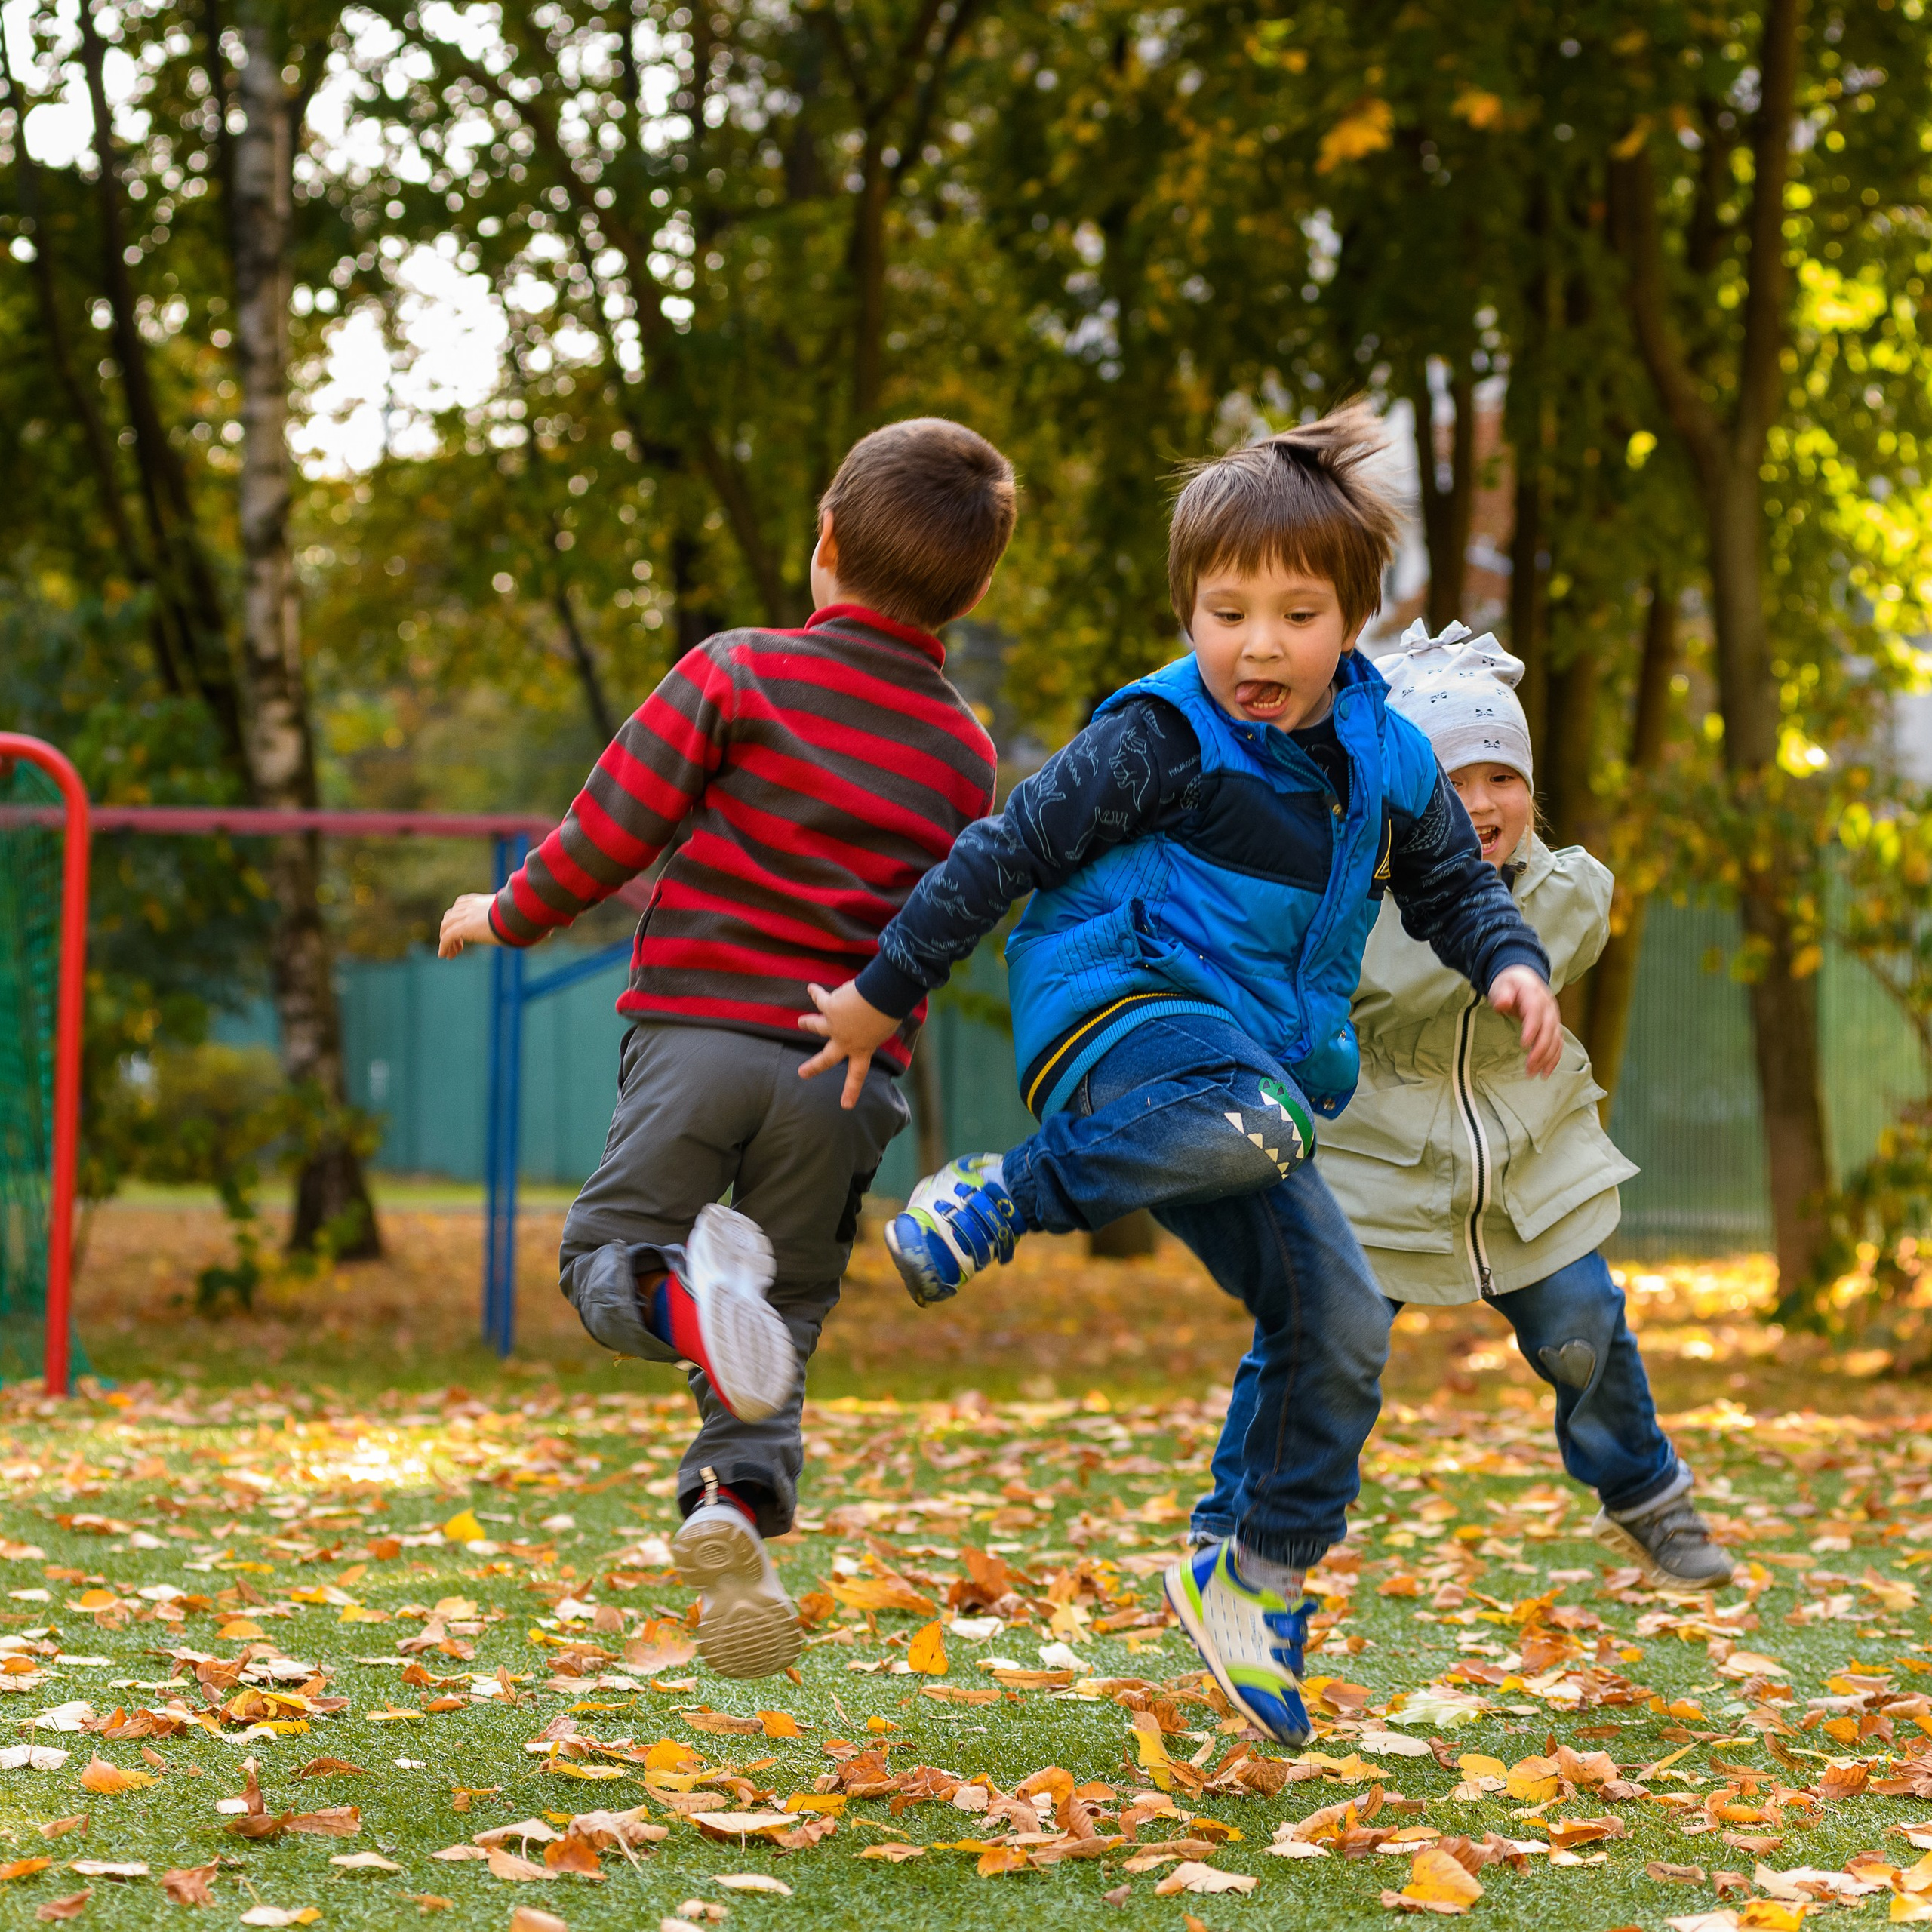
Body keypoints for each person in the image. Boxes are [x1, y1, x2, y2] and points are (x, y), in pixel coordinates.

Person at [796, 405, 1562, 1744]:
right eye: (1225, 613)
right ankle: (1000, 1198)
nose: (1257, 646)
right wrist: (880, 992)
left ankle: (1252, 1573)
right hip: (1118, 1012)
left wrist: (1513, 963)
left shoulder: (1388, 759)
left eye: (1297, 615)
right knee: (1260, 1118)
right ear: (1189, 613)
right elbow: (1004, 852)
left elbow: (1454, 884)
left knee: (1340, 1317)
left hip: (1243, 1091)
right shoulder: (1159, 738)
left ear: (1355, 623)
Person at [437, 418, 1016, 1679]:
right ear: (973, 594)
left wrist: (506, 914)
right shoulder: (965, 752)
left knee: (608, 1257)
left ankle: (689, 1306)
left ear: (824, 545)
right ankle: (733, 1513)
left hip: (698, 1037)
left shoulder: (738, 672)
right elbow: (946, 920)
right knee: (789, 1310)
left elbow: (610, 831)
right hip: (846, 1077)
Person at [1192, 622, 1734, 1592]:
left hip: (1526, 1160)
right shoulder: (1345, 908)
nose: (1483, 803)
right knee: (1318, 1347)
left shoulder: (1567, 899)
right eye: (1453, 779)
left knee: (1582, 1327)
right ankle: (1234, 1532)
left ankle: (1647, 1492)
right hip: (1374, 1165)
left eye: (1503, 776)